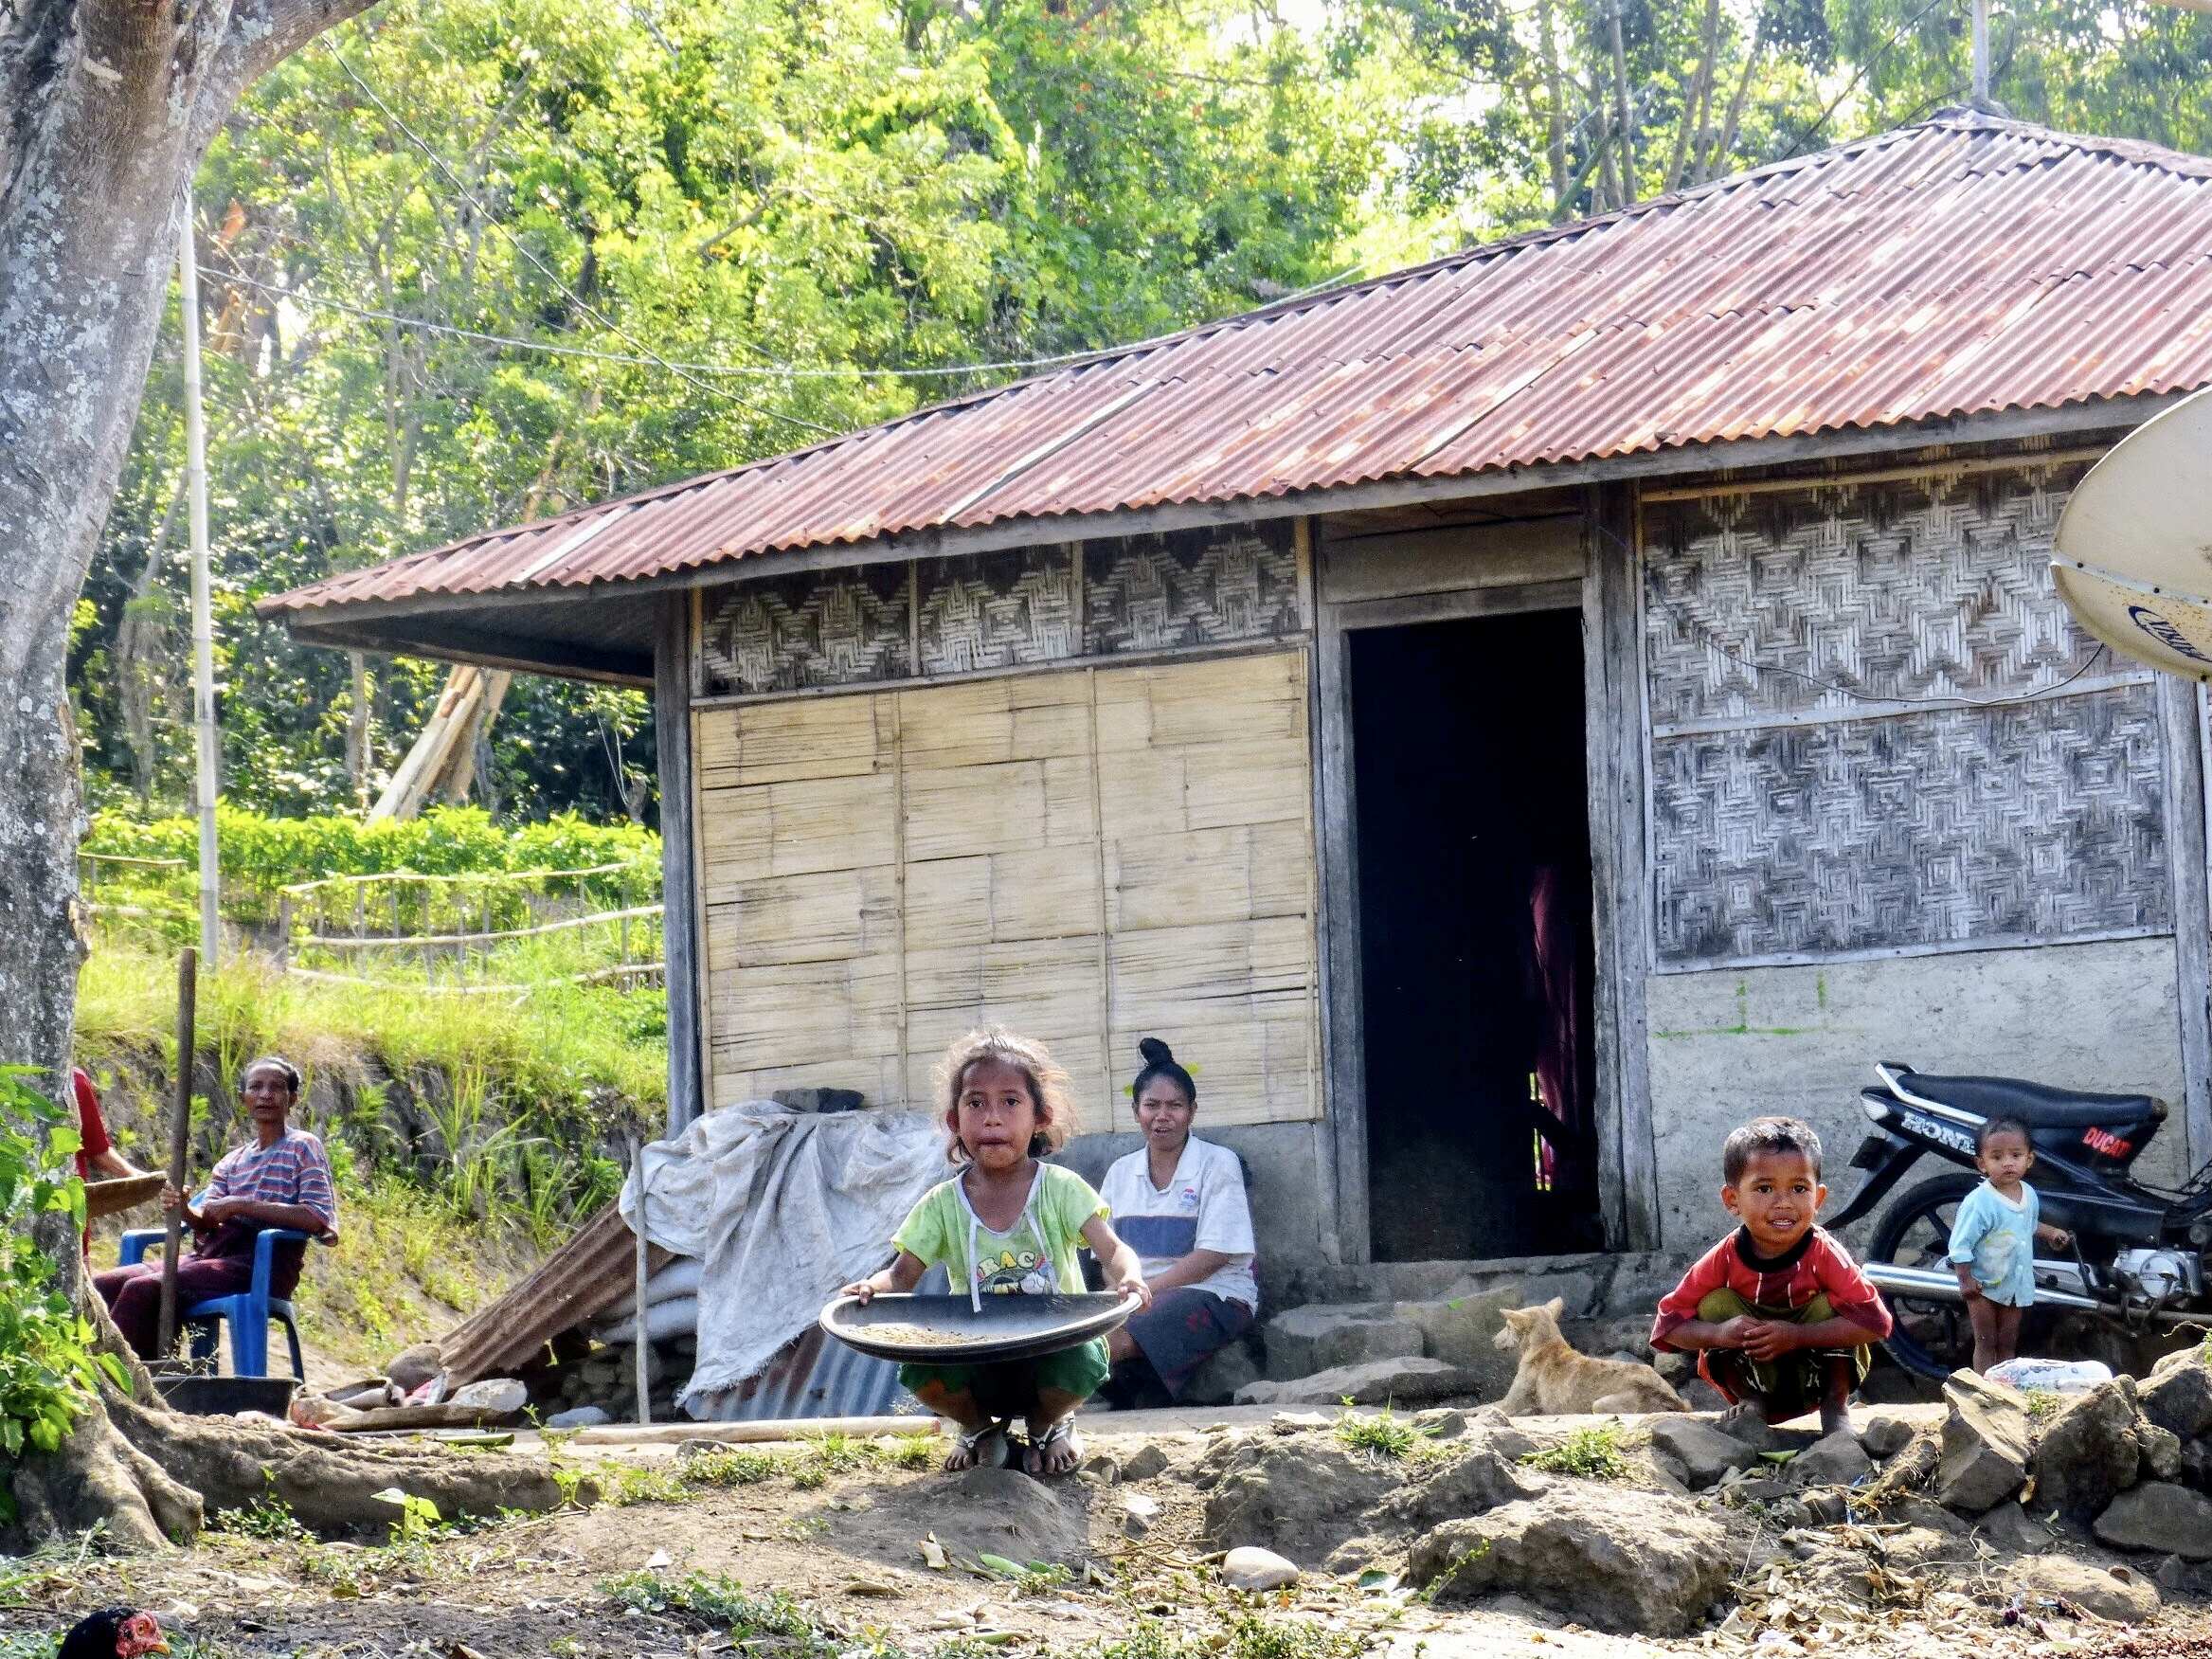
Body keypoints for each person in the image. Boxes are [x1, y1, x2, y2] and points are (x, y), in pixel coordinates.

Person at [840, 1029, 1151, 1476]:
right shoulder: (942, 1204)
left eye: (1010, 1102)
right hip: (975, 1355)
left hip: (1051, 1352)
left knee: (1085, 1358)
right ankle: (978, 1428)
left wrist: (1129, 1277)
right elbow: (902, 1276)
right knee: (918, 1370)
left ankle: (1048, 1423)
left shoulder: (1060, 1191)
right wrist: (872, 1287)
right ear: (954, 1120)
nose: (992, 1118)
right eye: (975, 1103)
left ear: (1040, 1117)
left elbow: (1114, 1250)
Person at [1650, 1116, 1891, 1435]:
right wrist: (1721, 1334)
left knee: (1833, 1304)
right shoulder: (1724, 1256)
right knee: (1715, 1303)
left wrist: (1796, 1335)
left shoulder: (1825, 1253)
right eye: (1764, 1188)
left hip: (1814, 1374)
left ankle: (1836, 1406)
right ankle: (1752, 1403)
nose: (1783, 1202)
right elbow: (1669, 1326)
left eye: (1798, 1188)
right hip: (1758, 1372)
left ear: (1818, 1199)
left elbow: (1876, 1323)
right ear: (1732, 1200)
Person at [92, 1055, 338, 1360]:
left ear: (293, 1099)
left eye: (276, 1088)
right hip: (209, 1258)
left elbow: (316, 1217)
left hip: (261, 1264)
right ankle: (103, 1369)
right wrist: (182, 1208)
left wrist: (241, 1205)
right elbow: (207, 1221)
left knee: (142, 1289)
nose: (265, 1095)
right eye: (256, 1087)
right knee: (101, 1285)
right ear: (244, 1099)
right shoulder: (231, 1161)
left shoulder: (304, 1146)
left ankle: (132, 1381)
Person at [1097, 1037, 1257, 1405]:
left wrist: (1144, 1294)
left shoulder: (1218, 1164)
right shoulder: (1120, 1173)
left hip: (1215, 1292)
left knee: (1112, 1341)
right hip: (1139, 1295)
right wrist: (1123, 1292)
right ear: (1136, 1110)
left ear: (1192, 1112)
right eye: (1151, 1105)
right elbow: (1107, 1255)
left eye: (1175, 1106)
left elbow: (1213, 1257)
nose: (1162, 1116)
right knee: (1076, 1329)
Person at [1948, 1116, 2072, 1373]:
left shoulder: (2028, 1194)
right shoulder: (1979, 1202)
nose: (2007, 1163)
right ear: (1982, 1164)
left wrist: (2052, 1233)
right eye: (1997, 1157)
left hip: (2015, 1284)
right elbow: (1960, 1245)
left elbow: (2028, 1224)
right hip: (1983, 1284)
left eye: (2015, 1155)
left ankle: (2004, 1387)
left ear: (2029, 1160)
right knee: (1986, 1341)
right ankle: (1984, 1389)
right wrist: (1965, 1280)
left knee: (2007, 1341)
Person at [70, 1068, 145, 1256]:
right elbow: (100, 1152)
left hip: (70, 1205)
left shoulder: (75, 1081)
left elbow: (97, 1149)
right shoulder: (73, 1080)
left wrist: (140, 1178)